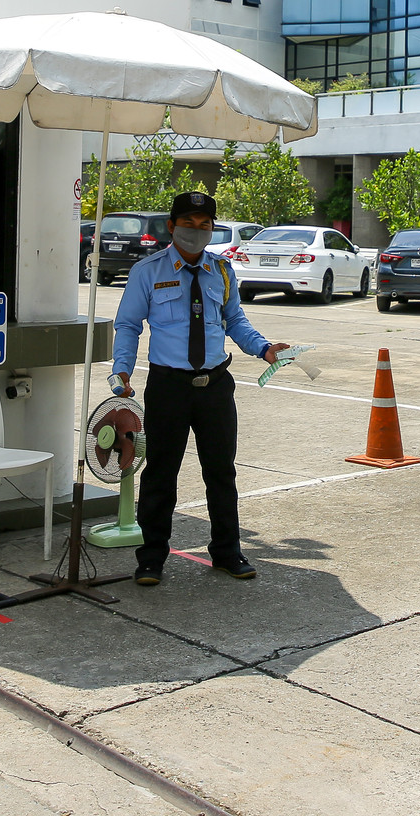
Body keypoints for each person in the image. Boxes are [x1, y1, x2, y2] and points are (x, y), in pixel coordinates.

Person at [111, 190, 289, 586]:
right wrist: (122, 370)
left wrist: (264, 348)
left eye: (204, 225)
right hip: (168, 387)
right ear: (171, 226)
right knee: (161, 473)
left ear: (212, 229)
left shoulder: (221, 271)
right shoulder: (148, 271)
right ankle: (151, 558)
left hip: (215, 387)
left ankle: (227, 552)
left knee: (221, 472)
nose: (196, 231)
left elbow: (235, 320)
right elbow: (128, 325)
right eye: (188, 223)